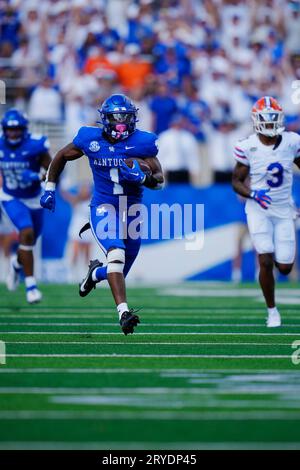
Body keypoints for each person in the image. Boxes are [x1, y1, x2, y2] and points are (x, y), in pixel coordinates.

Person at [40, 94, 164, 335]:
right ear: (105, 120)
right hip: (103, 207)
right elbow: (60, 157)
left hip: (132, 211)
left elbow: (159, 182)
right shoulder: (90, 138)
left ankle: (94, 274)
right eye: (116, 118)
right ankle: (124, 313)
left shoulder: (143, 142)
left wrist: (144, 178)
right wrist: (50, 187)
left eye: (125, 118)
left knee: (117, 270)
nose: (121, 123)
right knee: (115, 255)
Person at [232, 96, 300, 327]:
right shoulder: (247, 145)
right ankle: (272, 310)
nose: (270, 124)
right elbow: (236, 181)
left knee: (285, 266)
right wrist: (252, 194)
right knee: (265, 260)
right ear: (256, 120)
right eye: (266, 120)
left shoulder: (292, 141)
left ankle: (273, 302)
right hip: (258, 209)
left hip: (284, 210)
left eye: (274, 120)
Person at [0, 108, 52, 303]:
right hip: (11, 197)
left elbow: (52, 169)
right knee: (26, 232)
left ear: (24, 129)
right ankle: (31, 287)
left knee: (29, 242)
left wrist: (37, 177)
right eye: (9, 129)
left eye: (17, 129)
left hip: (34, 198)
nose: (13, 133)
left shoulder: (35, 144)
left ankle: (16, 263)